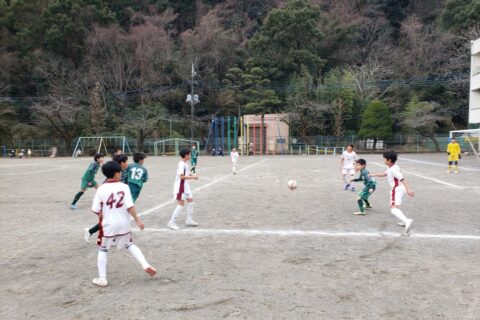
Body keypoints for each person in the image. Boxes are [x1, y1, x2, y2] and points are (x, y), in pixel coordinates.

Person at [90, 161, 156, 287]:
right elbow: (130, 206)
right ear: (116, 174)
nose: (121, 174)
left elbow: (95, 209)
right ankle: (146, 265)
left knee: (103, 249)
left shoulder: (101, 189)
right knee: (129, 245)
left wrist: (103, 215)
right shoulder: (124, 187)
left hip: (108, 224)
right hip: (124, 223)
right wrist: (137, 220)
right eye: (120, 172)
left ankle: (102, 278)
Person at [85, 154, 128, 242]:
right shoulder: (116, 171)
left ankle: (111, 237)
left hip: (117, 197)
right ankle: (92, 232)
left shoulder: (122, 171)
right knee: (108, 219)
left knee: (114, 217)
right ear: (122, 163)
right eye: (126, 161)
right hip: (110, 197)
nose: (127, 163)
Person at [371, 151, 414, 235]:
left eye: (384, 159)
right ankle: (404, 220)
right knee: (396, 207)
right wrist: (373, 174)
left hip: (397, 189)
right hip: (400, 188)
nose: (383, 160)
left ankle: (407, 221)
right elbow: (384, 174)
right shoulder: (392, 167)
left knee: (393, 209)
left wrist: (409, 189)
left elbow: (402, 179)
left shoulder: (393, 169)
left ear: (389, 160)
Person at [167, 148, 199, 230]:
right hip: (180, 187)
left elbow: (187, 173)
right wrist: (193, 178)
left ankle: (189, 220)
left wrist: (193, 175)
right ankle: (171, 222)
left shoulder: (185, 163)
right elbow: (181, 176)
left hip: (186, 187)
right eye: (189, 154)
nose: (190, 156)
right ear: (186, 155)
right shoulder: (181, 164)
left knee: (191, 201)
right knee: (181, 204)